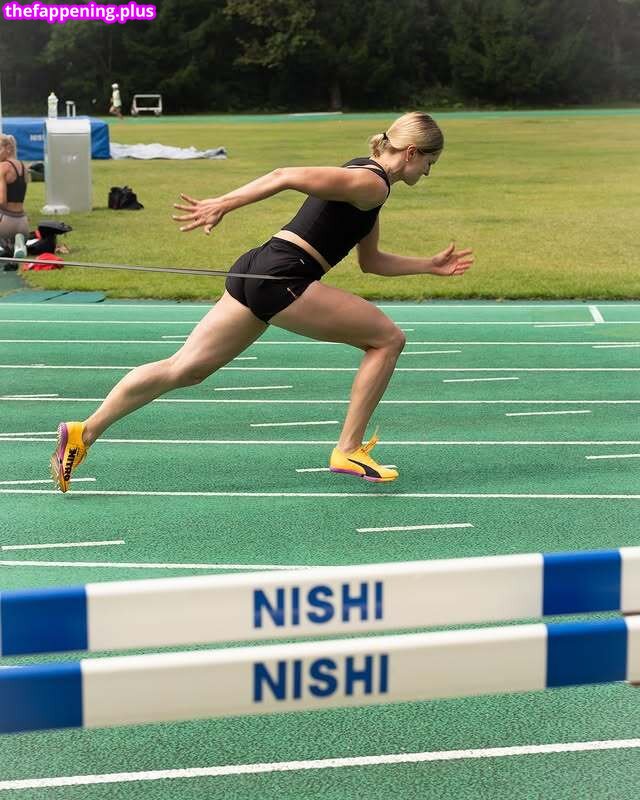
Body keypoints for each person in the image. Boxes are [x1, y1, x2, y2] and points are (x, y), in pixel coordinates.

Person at [50, 111, 473, 492]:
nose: (428, 172)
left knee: (185, 368)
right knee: (388, 340)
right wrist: (223, 203)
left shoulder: (368, 182)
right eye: (429, 163)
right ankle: (348, 448)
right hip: (284, 277)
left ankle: (84, 432)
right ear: (412, 152)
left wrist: (428, 266)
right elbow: (284, 174)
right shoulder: (371, 183)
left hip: (259, 268)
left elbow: (371, 262)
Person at [0, 134, 29, 258]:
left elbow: (2, 201)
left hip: (6, 223)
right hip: (23, 223)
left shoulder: (2, 167)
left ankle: (8, 244)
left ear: (7, 149)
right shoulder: (24, 166)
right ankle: (17, 243)